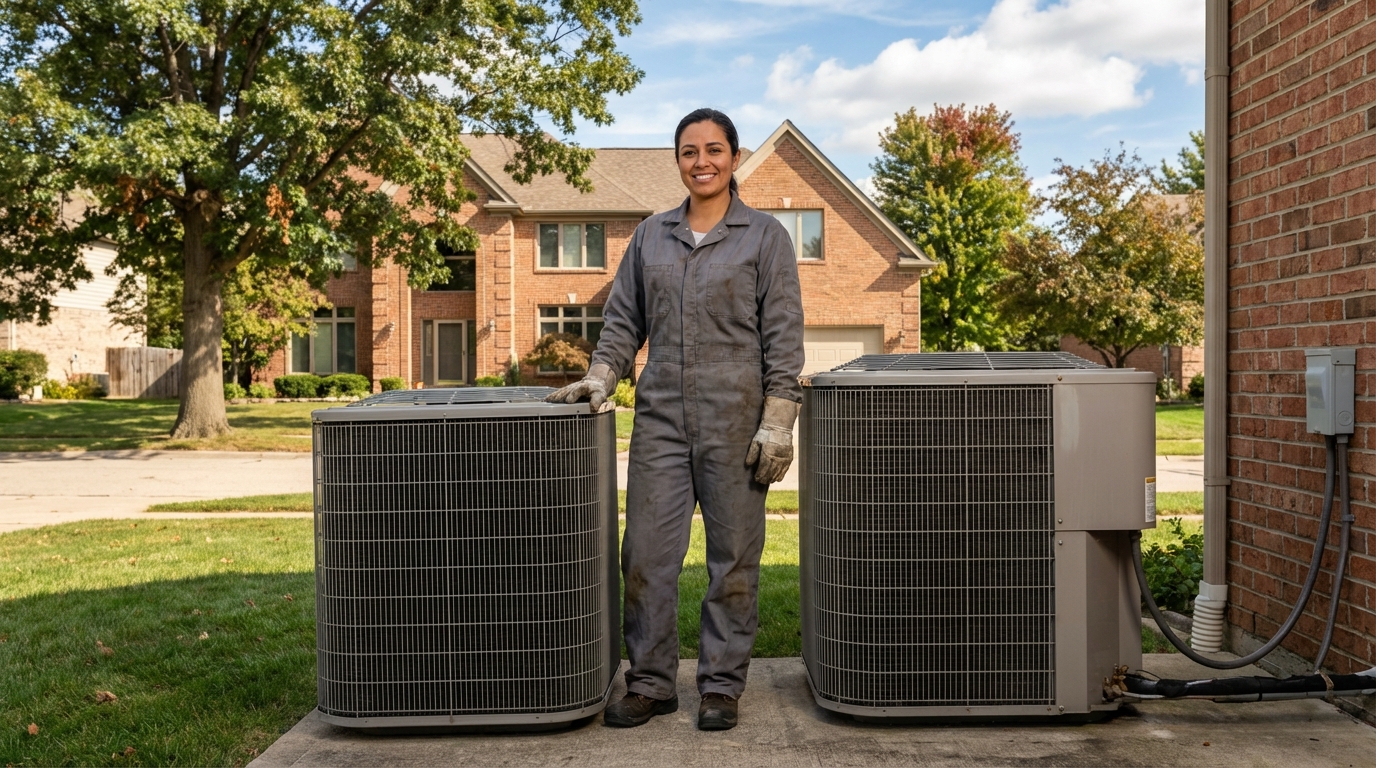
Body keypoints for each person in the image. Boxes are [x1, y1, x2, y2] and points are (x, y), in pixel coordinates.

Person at [547, 108, 805, 731]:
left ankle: (720, 686)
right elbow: (621, 324)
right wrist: (601, 376)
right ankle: (653, 683)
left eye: (714, 150)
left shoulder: (765, 237)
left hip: (737, 421)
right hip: (661, 419)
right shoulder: (650, 235)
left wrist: (778, 420)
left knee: (734, 559)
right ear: (678, 161)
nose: (702, 162)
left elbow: (783, 336)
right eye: (689, 152)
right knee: (646, 555)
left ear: (734, 158)